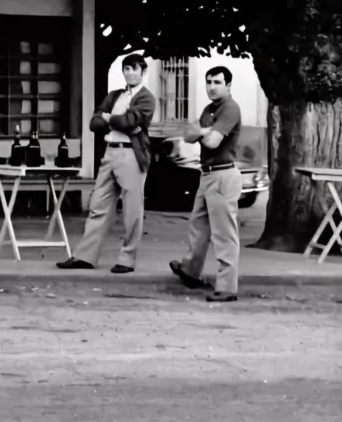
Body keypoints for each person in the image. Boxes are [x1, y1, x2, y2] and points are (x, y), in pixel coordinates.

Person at [57, 53, 156, 273]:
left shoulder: (146, 98)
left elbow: (129, 121)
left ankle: (127, 260)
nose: (129, 73)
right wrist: (116, 121)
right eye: (126, 69)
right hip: (110, 153)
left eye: (134, 69)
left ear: (143, 72)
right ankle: (85, 256)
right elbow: (94, 123)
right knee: (98, 205)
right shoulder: (115, 95)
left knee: (132, 210)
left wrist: (110, 118)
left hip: (131, 154)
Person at [171, 66, 243, 302]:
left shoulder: (230, 108)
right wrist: (203, 130)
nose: (212, 86)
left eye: (218, 82)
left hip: (223, 175)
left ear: (228, 85)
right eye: (209, 82)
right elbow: (188, 134)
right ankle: (190, 271)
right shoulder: (208, 109)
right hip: (207, 174)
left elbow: (212, 142)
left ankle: (227, 287)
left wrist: (201, 131)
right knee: (198, 226)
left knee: (224, 234)